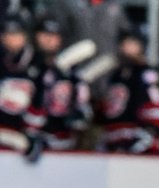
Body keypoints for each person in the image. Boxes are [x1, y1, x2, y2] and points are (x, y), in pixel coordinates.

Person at [95, 25, 159, 153]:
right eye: (123, 42)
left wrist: (146, 133)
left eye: (130, 42)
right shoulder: (117, 74)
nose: (124, 46)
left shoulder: (147, 74)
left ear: (140, 46)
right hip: (113, 138)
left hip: (136, 138)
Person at [31, 13, 91, 152]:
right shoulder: (28, 64)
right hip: (31, 137)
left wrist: (80, 113)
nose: (48, 40)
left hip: (62, 139)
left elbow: (82, 105)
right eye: (44, 34)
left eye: (53, 36)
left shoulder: (71, 72)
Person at [0, 7, 43, 159]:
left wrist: (31, 133)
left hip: (22, 131)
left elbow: (38, 100)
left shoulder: (36, 61)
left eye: (16, 34)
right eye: (8, 34)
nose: (12, 38)